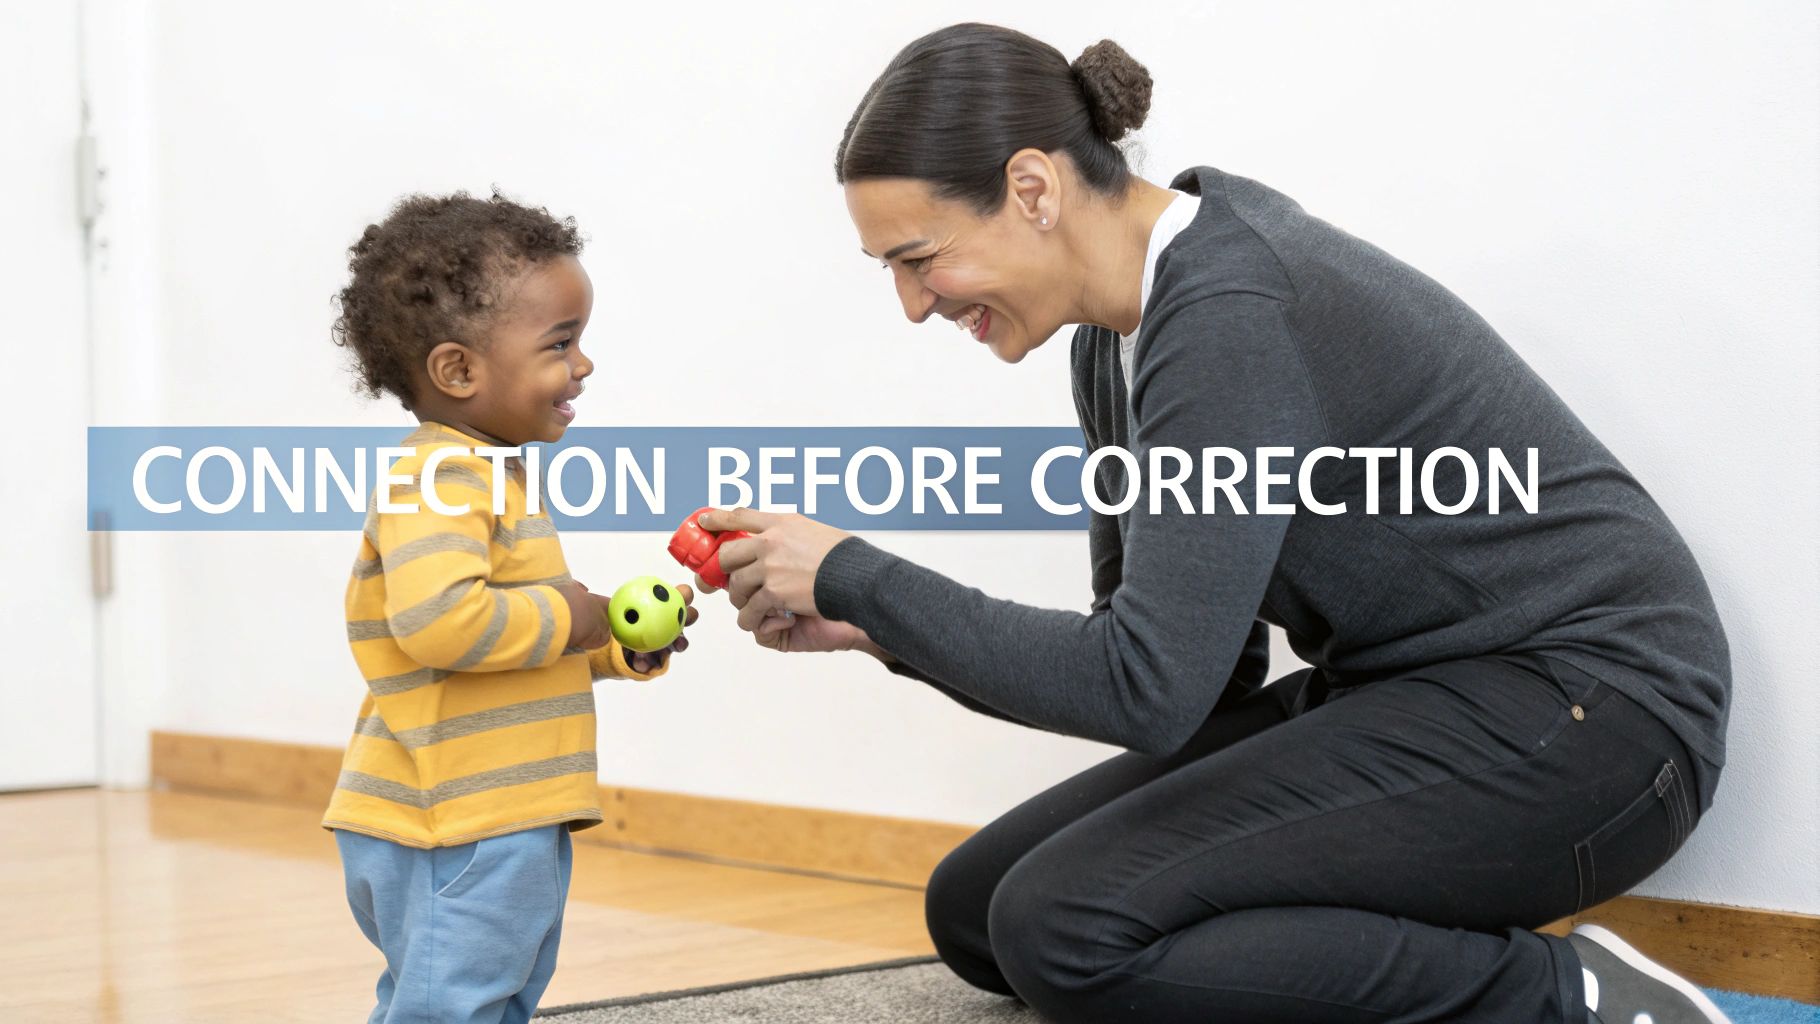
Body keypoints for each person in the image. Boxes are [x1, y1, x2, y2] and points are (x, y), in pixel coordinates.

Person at [699, 23, 1732, 1024]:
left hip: (1593, 720)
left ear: (1030, 188)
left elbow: (1145, 690)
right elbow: (1194, 680)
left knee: (1064, 927)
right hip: (1413, 693)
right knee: (976, 911)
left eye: (918, 257)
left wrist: (859, 574)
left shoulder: (1229, 313)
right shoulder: (1110, 341)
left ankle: (1572, 1000)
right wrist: (879, 629)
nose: (911, 305)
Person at [321, 192, 696, 1023]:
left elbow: (513, 642)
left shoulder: (484, 477)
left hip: (498, 810)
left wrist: (618, 645)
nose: (583, 365)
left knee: (492, 996)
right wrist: (580, 617)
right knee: (453, 1005)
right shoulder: (441, 479)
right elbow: (441, 623)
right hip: (452, 821)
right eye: (561, 344)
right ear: (458, 371)